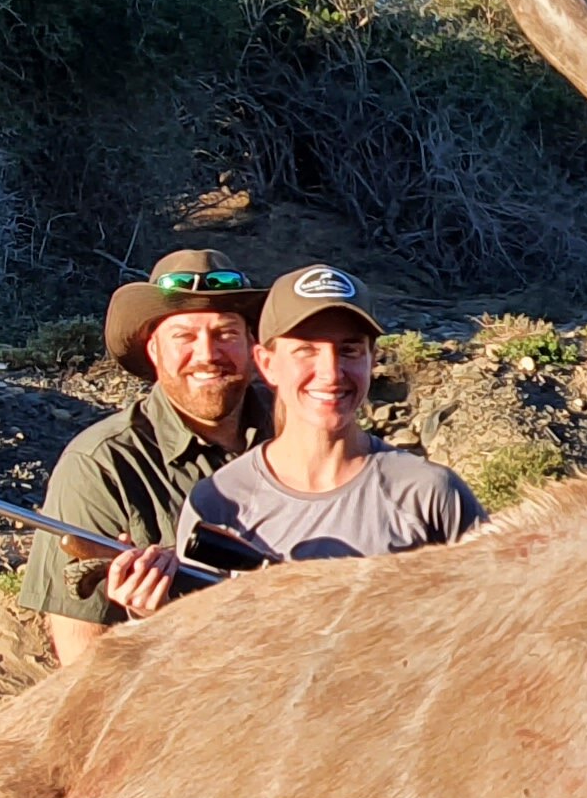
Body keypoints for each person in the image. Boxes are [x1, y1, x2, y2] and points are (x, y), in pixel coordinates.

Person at [99, 262, 480, 621]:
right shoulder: (217, 502)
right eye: (306, 350)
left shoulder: (430, 494)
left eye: (349, 350)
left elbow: (491, 633)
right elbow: (202, 660)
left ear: (371, 359)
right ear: (266, 363)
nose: (331, 373)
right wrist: (154, 615)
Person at [19, 248, 266, 668]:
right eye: (184, 336)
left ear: (253, 347)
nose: (207, 354)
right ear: (153, 350)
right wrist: (149, 627)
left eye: (226, 333)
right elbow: (83, 665)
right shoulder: (99, 465)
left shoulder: (303, 436)